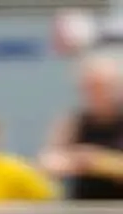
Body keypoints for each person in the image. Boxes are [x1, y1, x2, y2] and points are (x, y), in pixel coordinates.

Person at [39, 54, 123, 200]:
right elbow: (47, 162)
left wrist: (100, 162)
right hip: (84, 210)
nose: (97, 93)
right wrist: (75, 161)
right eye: (89, 87)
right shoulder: (73, 121)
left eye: (102, 87)